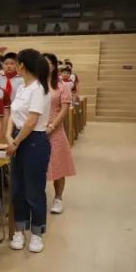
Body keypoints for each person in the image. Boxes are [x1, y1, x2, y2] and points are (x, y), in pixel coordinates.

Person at [6, 48, 52, 253]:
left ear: (22, 65)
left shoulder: (39, 89)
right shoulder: (21, 87)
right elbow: (13, 114)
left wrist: (15, 142)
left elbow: (32, 121)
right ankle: (19, 231)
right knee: (18, 189)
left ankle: (36, 233)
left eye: (16, 63)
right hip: (18, 136)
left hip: (34, 141)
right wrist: (9, 136)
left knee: (34, 189)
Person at [43, 53, 76, 215]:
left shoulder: (61, 86)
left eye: (48, 63)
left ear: (54, 66)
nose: (44, 66)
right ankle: (38, 197)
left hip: (55, 130)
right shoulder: (35, 84)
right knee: (38, 166)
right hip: (36, 129)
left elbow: (64, 109)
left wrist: (52, 126)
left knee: (58, 165)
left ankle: (58, 198)